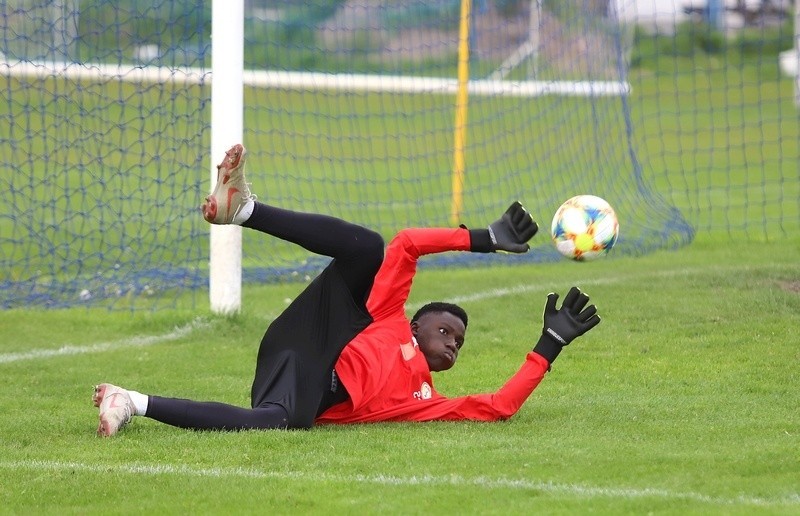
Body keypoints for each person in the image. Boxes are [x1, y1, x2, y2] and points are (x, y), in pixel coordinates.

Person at [93, 144, 601, 436]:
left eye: (459, 343)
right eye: (446, 330)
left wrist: (549, 343)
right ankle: (243, 209)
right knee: (368, 248)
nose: (451, 343)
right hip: (313, 334)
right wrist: (483, 239)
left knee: (276, 425)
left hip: (304, 389)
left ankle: (130, 401)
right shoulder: (388, 317)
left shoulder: (424, 399)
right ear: (417, 324)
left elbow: (498, 407)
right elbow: (407, 245)